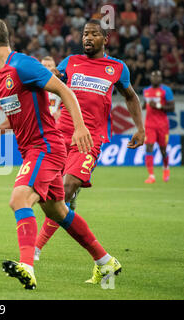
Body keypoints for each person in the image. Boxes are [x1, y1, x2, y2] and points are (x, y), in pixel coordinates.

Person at [0, 16, 121, 290]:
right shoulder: (0, 76)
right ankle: (105, 261)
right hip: (34, 148)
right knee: (57, 211)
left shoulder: (23, 65)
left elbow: (64, 90)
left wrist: (79, 127)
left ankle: (27, 267)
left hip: (45, 148)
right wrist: (1, 127)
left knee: (19, 198)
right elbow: (23, 114)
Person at [34, 20, 145, 262]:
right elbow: (53, 84)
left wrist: (140, 128)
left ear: (105, 39)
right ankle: (97, 255)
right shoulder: (71, 62)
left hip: (90, 139)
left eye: (94, 34)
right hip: (60, 134)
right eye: (85, 34)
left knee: (67, 188)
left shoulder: (116, 67)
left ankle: (35, 248)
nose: (88, 38)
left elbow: (131, 97)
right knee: (48, 193)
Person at [143, 70, 175, 183]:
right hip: (149, 125)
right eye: (153, 77)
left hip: (162, 125)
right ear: (150, 78)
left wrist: (157, 105)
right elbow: (145, 104)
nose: (156, 79)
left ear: (161, 78)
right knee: (149, 147)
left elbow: (172, 107)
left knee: (163, 150)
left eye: (158, 77)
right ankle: (151, 176)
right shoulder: (146, 91)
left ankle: (166, 168)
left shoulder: (166, 90)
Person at [41, 56, 61, 121]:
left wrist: (60, 112)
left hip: (55, 124)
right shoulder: (34, 87)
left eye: (49, 66)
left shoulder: (60, 88)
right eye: (44, 65)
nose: (46, 68)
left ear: (54, 69)